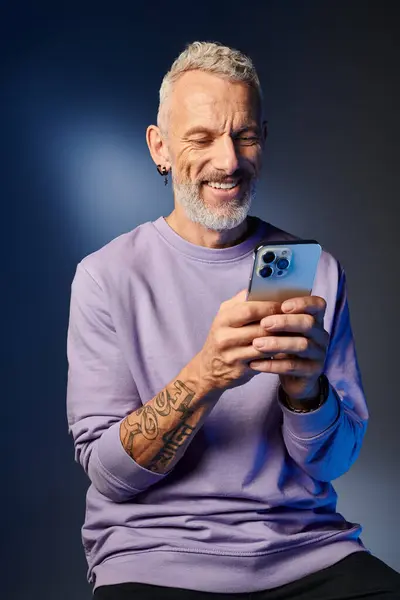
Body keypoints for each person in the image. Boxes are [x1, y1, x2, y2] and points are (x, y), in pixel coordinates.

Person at [66, 41, 400, 600]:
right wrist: (206, 374)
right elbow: (110, 476)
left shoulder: (315, 273)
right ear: (161, 147)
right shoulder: (106, 276)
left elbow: (333, 462)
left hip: (307, 549)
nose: (228, 161)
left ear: (262, 141)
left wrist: (305, 391)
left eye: (244, 136)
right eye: (202, 138)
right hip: (155, 556)